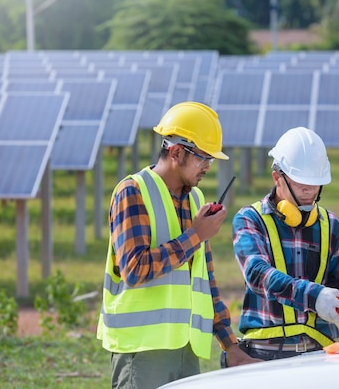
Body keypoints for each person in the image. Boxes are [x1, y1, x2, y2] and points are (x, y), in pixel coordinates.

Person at [96, 101, 260, 388]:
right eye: (203, 158)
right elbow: (134, 269)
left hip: (186, 350)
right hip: (142, 352)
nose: (208, 167)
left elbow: (205, 281)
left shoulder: (195, 200)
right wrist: (195, 235)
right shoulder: (132, 192)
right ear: (176, 152)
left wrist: (230, 346)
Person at [231, 126, 339, 361]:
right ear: (277, 177)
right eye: (301, 183)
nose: (310, 190)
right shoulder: (250, 219)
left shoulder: (330, 225)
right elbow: (258, 274)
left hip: (319, 351)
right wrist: (315, 296)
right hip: (265, 352)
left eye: (316, 183)